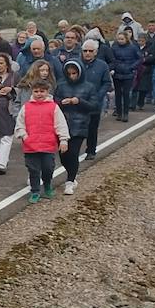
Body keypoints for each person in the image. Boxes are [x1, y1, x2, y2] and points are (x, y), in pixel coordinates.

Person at [15, 79, 69, 203]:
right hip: (30, 146)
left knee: (48, 167)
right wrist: (24, 136)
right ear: (32, 92)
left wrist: (63, 140)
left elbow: (60, 124)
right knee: (33, 169)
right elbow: (20, 124)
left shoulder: (53, 107)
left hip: (48, 145)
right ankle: (35, 190)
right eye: (36, 91)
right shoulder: (26, 107)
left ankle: (47, 184)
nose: (39, 94)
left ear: (47, 92)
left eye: (42, 91)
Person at [55, 57, 97, 190]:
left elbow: (94, 105)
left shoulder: (89, 87)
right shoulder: (61, 86)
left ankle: (70, 181)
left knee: (73, 153)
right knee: (63, 155)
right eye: (69, 73)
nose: (72, 76)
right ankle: (71, 174)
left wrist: (79, 101)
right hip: (63, 124)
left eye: (74, 73)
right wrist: (62, 102)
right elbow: (54, 102)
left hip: (80, 125)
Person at [79, 40, 111, 159]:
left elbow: (106, 83)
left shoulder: (102, 65)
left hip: (94, 102)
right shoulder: (77, 64)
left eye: (90, 51)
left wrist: (98, 96)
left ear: (96, 52)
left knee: (92, 127)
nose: (87, 53)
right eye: (85, 51)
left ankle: (91, 150)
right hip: (78, 101)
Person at [110, 30, 142, 122]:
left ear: (126, 39)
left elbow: (139, 59)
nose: (120, 40)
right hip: (117, 73)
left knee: (126, 94)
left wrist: (132, 67)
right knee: (118, 94)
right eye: (119, 39)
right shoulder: (114, 48)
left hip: (128, 73)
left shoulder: (133, 48)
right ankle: (119, 113)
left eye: (122, 39)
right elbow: (112, 59)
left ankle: (125, 113)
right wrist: (115, 66)